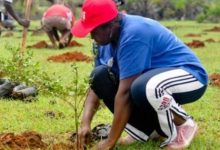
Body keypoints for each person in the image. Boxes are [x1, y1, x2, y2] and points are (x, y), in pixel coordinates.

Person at [71, 0, 208, 149]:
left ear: (110, 24)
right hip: (151, 81)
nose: (91, 36)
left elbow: (125, 93)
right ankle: (148, 132)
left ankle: (184, 125)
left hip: (189, 75)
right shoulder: (103, 42)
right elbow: (95, 86)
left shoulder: (133, 33)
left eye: (94, 30)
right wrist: (85, 123)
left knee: (144, 87)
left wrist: (110, 142)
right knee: (99, 75)